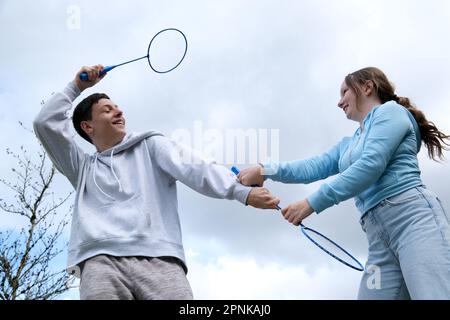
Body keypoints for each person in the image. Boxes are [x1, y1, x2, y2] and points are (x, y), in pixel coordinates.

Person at [33, 65, 280, 300]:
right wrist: (76, 86)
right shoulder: (82, 167)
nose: (118, 112)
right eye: (107, 110)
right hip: (100, 263)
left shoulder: (151, 145)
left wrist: (241, 192)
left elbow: (196, 167)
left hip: (161, 260)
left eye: (117, 108)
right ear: (88, 126)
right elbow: (45, 123)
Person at [238, 67, 450, 300]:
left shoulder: (391, 112)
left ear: (368, 87)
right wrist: (264, 170)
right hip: (378, 239)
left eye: (344, 92)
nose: (339, 102)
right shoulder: (349, 144)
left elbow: (371, 165)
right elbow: (312, 166)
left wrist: (311, 203)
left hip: (413, 221)